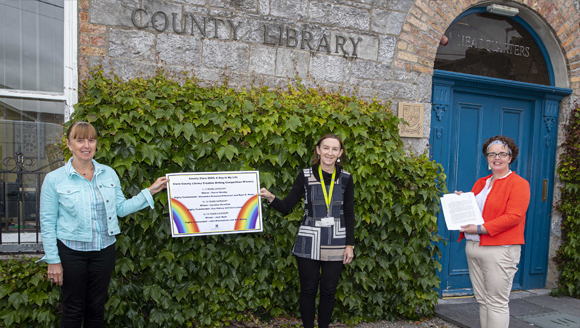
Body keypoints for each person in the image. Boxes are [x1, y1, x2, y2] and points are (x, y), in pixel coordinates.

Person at [38, 121, 168, 328]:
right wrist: (53, 260)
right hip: (71, 251)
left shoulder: (108, 173)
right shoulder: (54, 179)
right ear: (69, 144)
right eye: (79, 140)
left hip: (103, 250)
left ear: (96, 144)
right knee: (73, 308)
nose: (86, 145)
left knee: (97, 308)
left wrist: (150, 191)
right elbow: (47, 221)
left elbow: (121, 208)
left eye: (91, 139)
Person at [259, 134, 355, 328]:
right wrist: (270, 198)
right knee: (309, 289)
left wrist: (350, 245)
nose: (329, 152)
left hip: (336, 240)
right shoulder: (305, 175)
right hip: (309, 239)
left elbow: (349, 213)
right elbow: (287, 206)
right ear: (318, 150)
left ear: (340, 153)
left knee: (328, 291)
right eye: (325, 148)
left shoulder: (345, 178)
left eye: (334, 149)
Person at [456, 135, 530, 328]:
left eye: (502, 154)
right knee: (483, 301)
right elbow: (477, 211)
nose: (497, 158)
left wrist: (481, 229)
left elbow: (514, 216)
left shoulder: (519, 183)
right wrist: (461, 202)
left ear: (510, 156)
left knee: (496, 303)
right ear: (486, 157)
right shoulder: (481, 183)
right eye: (492, 154)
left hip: (500, 249)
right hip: (473, 247)